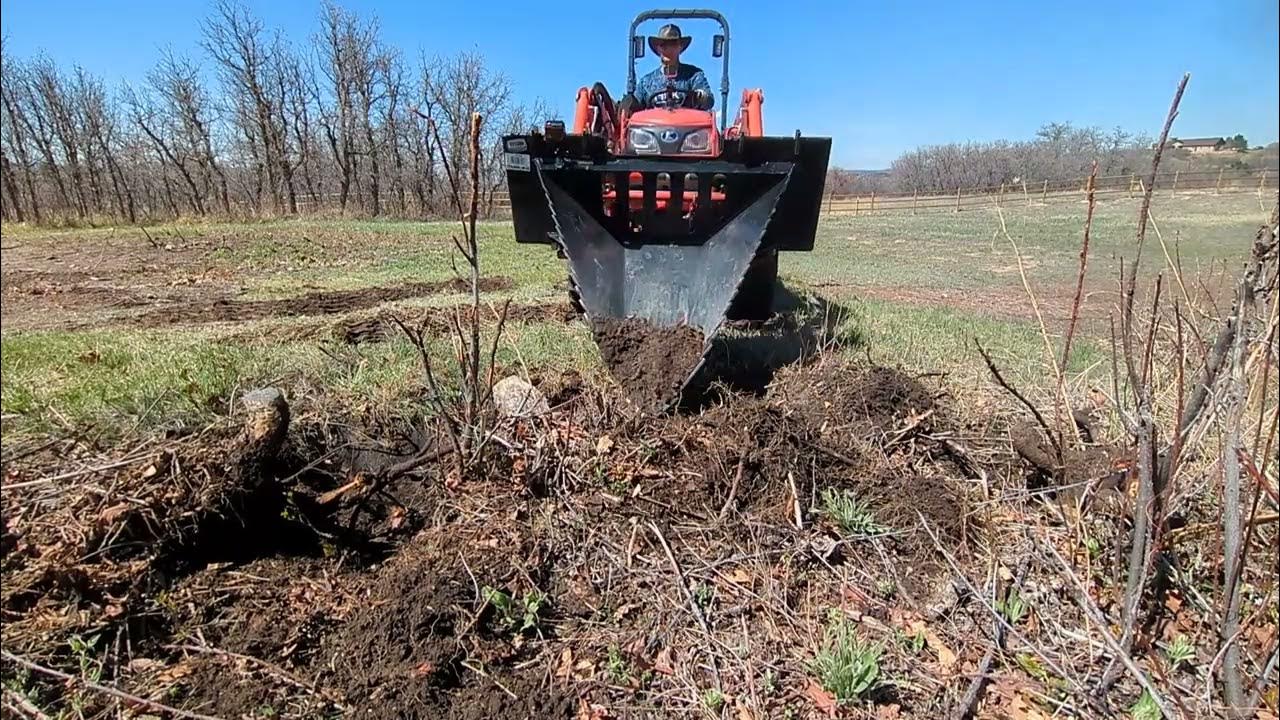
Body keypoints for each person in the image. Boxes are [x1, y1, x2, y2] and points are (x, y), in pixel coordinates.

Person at [636, 24, 713, 111]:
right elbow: (635, 104)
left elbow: (708, 100)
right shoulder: (646, 83)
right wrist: (628, 102)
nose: (668, 49)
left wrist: (701, 96)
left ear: (680, 47)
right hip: (654, 124)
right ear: (658, 49)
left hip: (688, 123)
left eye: (673, 45)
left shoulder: (693, 76)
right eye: (663, 45)